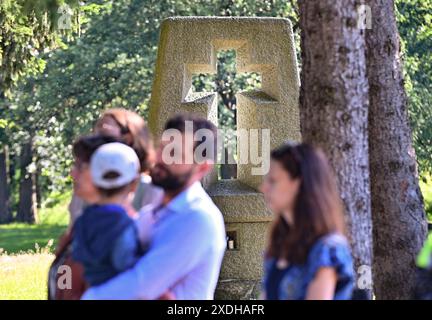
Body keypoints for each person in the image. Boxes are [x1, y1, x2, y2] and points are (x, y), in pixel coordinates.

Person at [81, 113, 227, 300]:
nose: (161, 159)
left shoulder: (198, 218)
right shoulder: (153, 212)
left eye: (174, 153)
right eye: (162, 148)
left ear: (202, 168)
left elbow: (141, 285)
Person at [260, 142, 354, 300]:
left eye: (273, 181)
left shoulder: (327, 250)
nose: (263, 188)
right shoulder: (280, 243)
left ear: (299, 183)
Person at [72, 142, 144, 286]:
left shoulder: (83, 219)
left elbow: (77, 254)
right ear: (134, 183)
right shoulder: (123, 224)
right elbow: (124, 262)